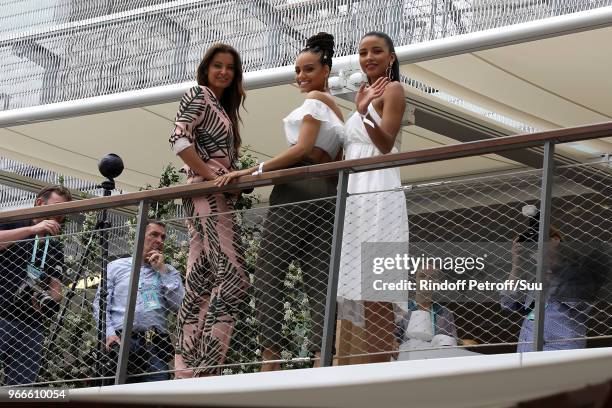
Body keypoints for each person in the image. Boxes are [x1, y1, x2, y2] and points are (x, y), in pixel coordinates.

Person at [216, 32, 344, 371]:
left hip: (296, 186)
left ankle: (269, 359)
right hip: (328, 192)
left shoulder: (316, 101)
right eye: (297, 72)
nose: (301, 78)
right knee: (319, 279)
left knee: (270, 272)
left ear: (326, 70)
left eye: (309, 70)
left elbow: (301, 149)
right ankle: (322, 358)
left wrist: (253, 171)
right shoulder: (339, 111)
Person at [169, 43, 250, 377]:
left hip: (213, 194)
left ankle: (185, 367)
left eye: (230, 67)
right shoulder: (198, 94)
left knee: (201, 279)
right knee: (234, 277)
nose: (224, 72)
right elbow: (178, 140)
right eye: (218, 65)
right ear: (206, 68)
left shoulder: (222, 107)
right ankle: (207, 366)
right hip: (207, 194)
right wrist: (208, 173)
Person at [336, 31, 410, 364]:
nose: (369, 57)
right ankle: (368, 366)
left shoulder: (393, 89)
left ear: (391, 58)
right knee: (362, 289)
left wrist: (365, 112)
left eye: (377, 51)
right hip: (355, 192)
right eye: (363, 52)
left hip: (378, 189)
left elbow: (385, 143)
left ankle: (382, 368)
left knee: (376, 288)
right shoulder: (364, 91)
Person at [93, 221, 184, 383]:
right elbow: (100, 305)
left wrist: (162, 271)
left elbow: (180, 306)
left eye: (163, 237)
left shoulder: (169, 271)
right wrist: (109, 334)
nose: (160, 240)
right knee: (118, 395)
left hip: (155, 345)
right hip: (121, 342)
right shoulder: (115, 267)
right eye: (154, 235)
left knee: (156, 398)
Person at [0, 185, 71, 385]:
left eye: (62, 214)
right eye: (55, 210)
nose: (58, 217)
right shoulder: (13, 221)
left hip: (32, 324)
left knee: (20, 389)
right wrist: (32, 229)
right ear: (39, 203)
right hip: (2, 313)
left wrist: (47, 298)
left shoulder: (55, 246)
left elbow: (57, 290)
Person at [501, 226, 610, 352]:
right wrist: (516, 264)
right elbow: (507, 303)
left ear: (555, 240)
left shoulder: (578, 271)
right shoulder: (535, 277)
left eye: (538, 240)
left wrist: (547, 266)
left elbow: (578, 303)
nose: (534, 246)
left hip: (558, 352)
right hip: (527, 351)